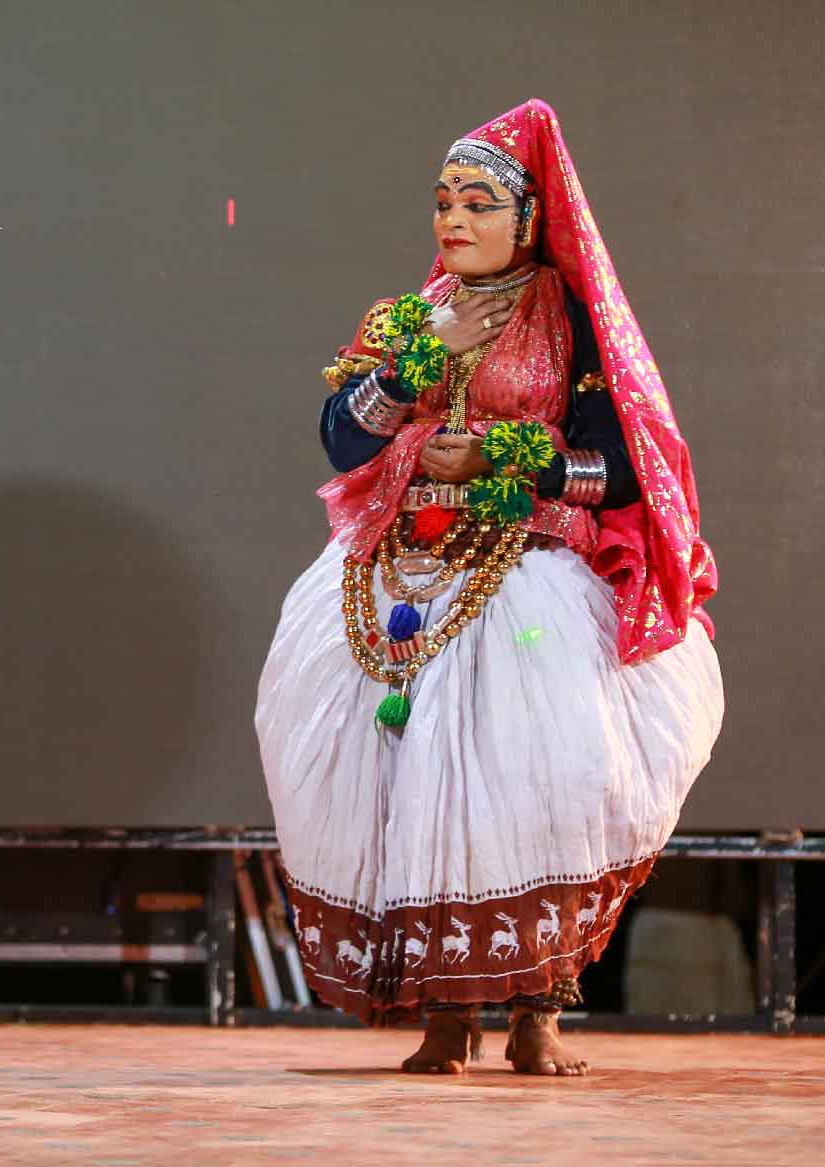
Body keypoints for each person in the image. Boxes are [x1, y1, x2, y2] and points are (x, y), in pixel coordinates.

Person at [255, 99, 722, 1076]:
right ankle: (442, 1019)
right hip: (400, 576)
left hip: (528, 595)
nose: (451, 221)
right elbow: (342, 439)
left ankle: (536, 1013)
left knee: (539, 780)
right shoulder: (405, 316)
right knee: (398, 781)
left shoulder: (569, 319)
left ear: (525, 217)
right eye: (440, 203)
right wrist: (407, 386)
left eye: (475, 202)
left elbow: (621, 468)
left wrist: (517, 461)